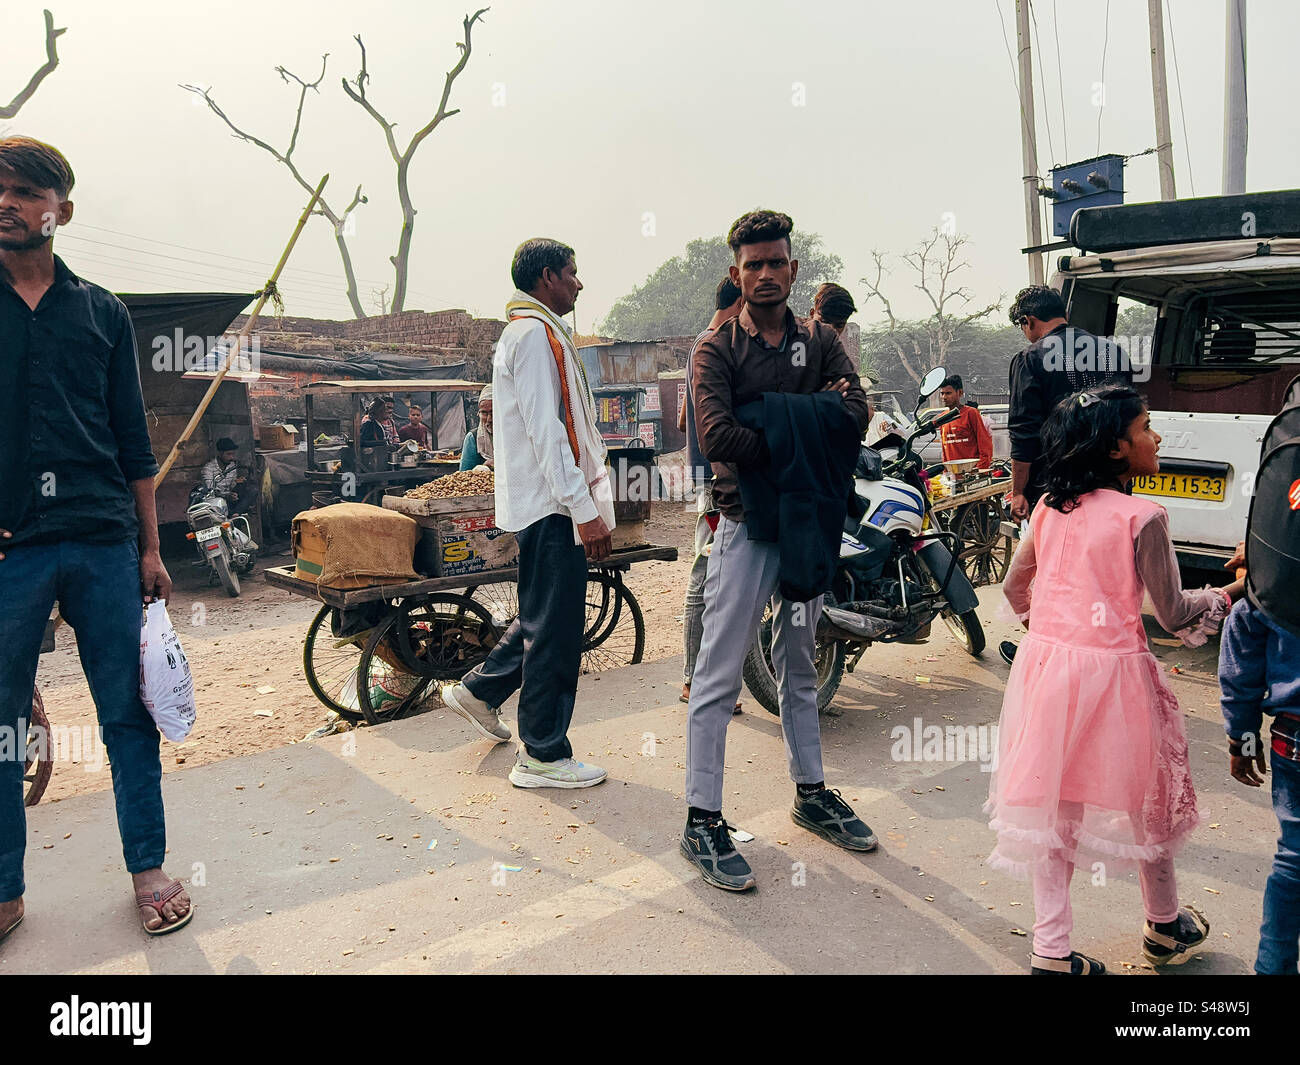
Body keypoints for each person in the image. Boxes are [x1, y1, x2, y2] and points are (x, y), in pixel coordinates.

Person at [0, 136, 192, 943]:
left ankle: (147, 869)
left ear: (60, 211)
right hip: (11, 552)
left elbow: (133, 443)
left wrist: (151, 550)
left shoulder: (103, 313)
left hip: (103, 541)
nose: (5, 203)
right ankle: (5, 890)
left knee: (127, 712)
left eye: (22, 192)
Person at [987, 384, 1237, 974]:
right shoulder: (1144, 516)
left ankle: (1051, 952)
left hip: (1047, 673)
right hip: (1119, 680)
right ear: (1118, 448)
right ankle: (1165, 922)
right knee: (1151, 801)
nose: (1157, 437)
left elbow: (1013, 588)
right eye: (1147, 426)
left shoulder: (1049, 506)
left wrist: (1055, 631)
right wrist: (1232, 592)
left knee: (1056, 808)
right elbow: (1174, 614)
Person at [683, 209, 875, 892]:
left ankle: (812, 791)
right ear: (736, 273)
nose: (765, 274)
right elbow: (717, 435)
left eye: (776, 262)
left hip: (807, 524)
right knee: (719, 675)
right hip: (746, 528)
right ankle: (702, 818)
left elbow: (859, 414)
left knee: (800, 661)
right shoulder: (716, 350)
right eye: (752, 264)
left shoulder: (820, 339)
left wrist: (767, 415)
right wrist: (806, 424)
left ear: (794, 269)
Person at [441, 238, 613, 789]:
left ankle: (479, 690)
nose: (579, 284)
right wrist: (583, 510)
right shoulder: (535, 336)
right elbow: (549, 432)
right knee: (557, 633)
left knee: (543, 618)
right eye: (572, 273)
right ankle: (542, 753)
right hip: (554, 508)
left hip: (545, 506)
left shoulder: (530, 332)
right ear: (546, 277)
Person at [1001, 284, 1132, 664]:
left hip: (1055, 485)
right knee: (1105, 566)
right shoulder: (1112, 353)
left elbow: (1023, 431)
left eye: (1021, 325)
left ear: (1028, 321)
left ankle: (1056, 647)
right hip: (1111, 483)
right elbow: (1129, 421)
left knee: (1053, 570)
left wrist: (1019, 491)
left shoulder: (1029, 358)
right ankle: (1104, 645)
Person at [1219, 576, 1300, 974]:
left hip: (1295, 734)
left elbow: (1242, 668)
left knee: (1295, 858)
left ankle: (1273, 969)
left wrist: (1244, 743)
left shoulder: (1276, 575)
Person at [678, 277, 743, 710]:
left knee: (717, 578)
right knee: (706, 580)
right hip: (717, 481)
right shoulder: (717, 344)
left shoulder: (701, 345)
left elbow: (685, 416)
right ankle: (695, 681)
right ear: (738, 303)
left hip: (709, 476)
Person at [935, 374, 992, 470]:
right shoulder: (942, 418)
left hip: (972, 473)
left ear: (960, 393)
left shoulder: (971, 413)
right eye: (942, 393)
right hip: (952, 474)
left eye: (948, 393)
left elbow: (985, 445)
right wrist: (946, 471)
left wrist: (980, 469)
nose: (944, 397)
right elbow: (945, 450)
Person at [200, 436, 259, 515]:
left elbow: (232, 487)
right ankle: (234, 513)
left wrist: (237, 482)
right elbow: (210, 490)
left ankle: (236, 513)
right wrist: (226, 495)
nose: (231, 457)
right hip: (216, 501)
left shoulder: (232, 466)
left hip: (230, 498)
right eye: (228, 454)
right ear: (220, 453)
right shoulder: (208, 469)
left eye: (233, 454)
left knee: (252, 489)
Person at [459, 385, 494, 470]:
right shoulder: (473, 438)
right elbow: (464, 475)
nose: (489, 419)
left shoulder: (513, 435)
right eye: (484, 413)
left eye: (493, 412)